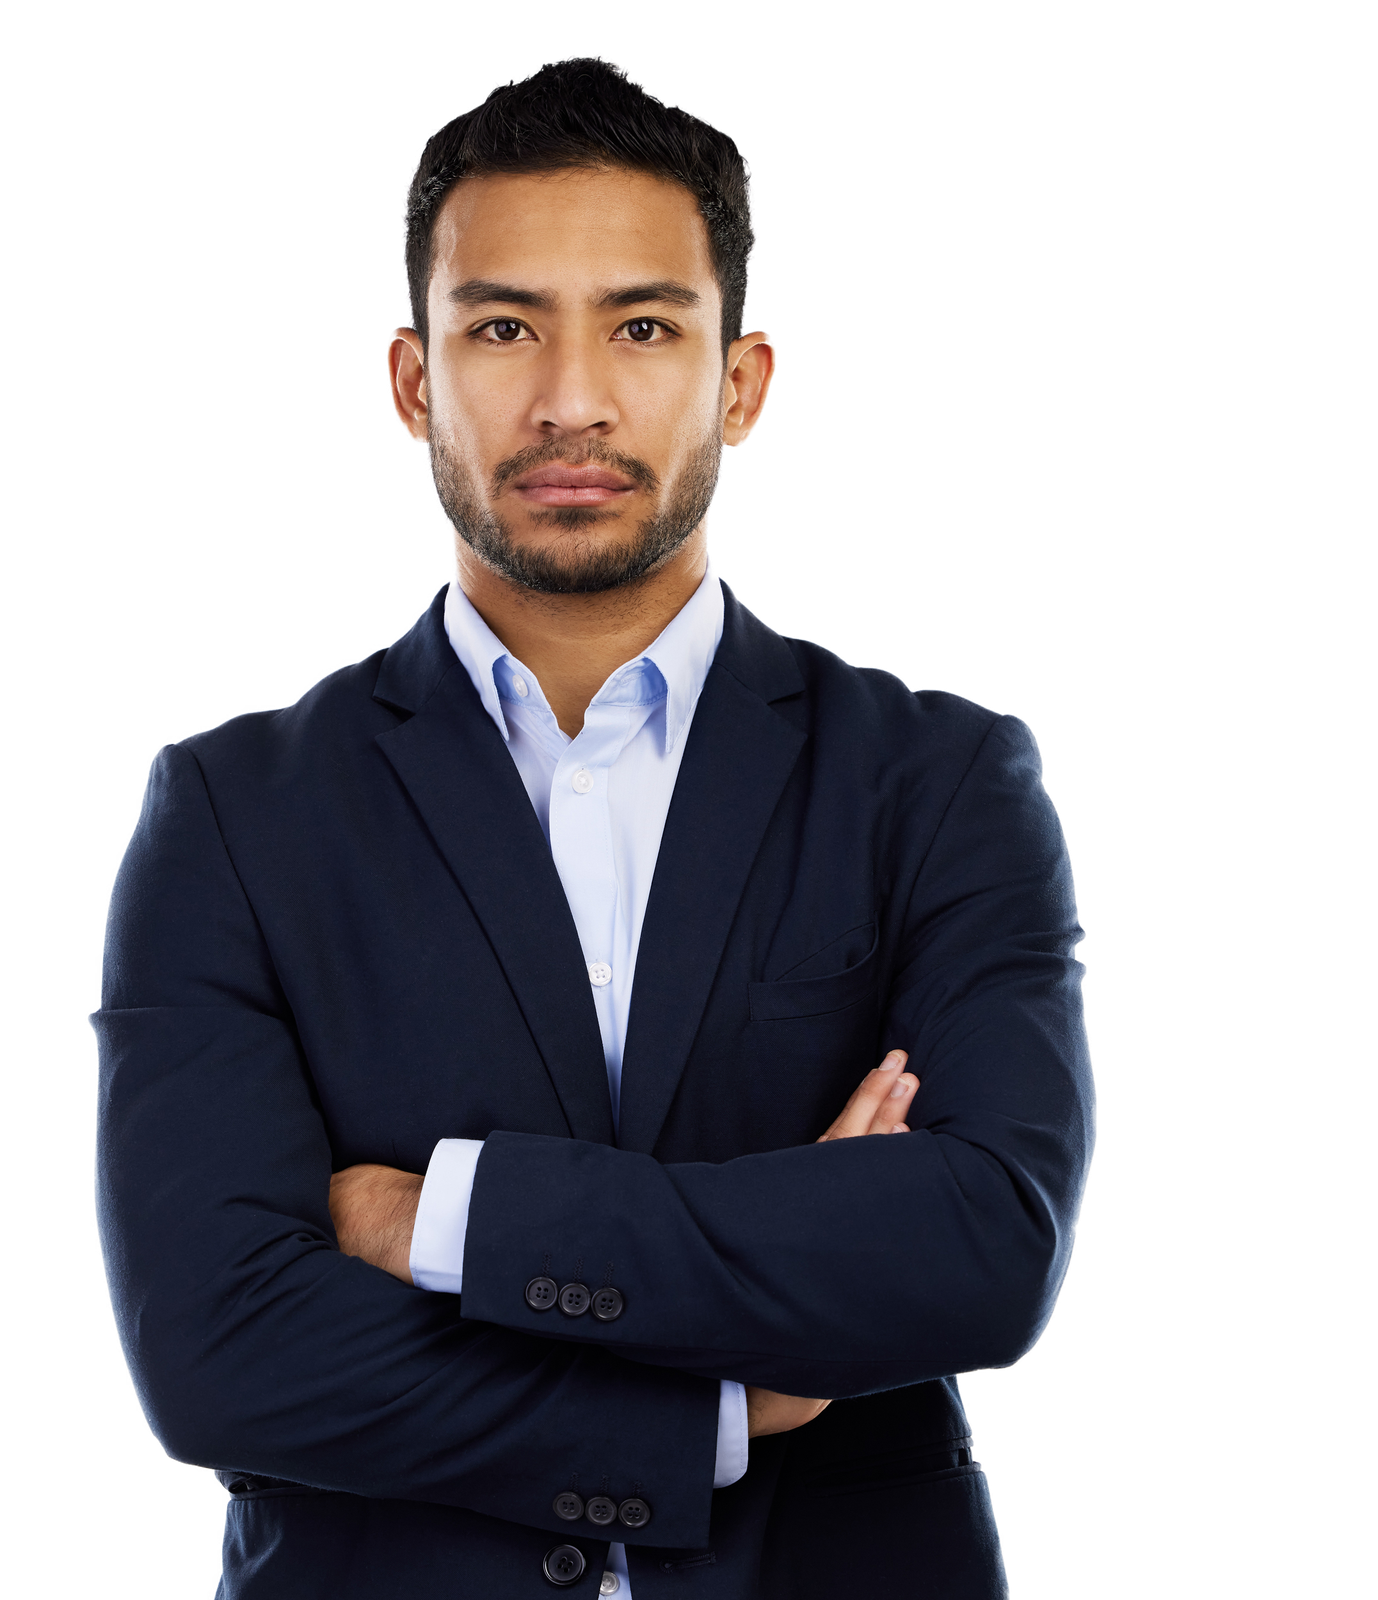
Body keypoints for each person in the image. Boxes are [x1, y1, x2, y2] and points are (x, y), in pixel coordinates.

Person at [91, 54, 1094, 1599]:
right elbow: (218, 1353)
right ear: (415, 380)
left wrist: (445, 1222)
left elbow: (983, 1249)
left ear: (739, 381)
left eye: (642, 325)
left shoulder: (942, 777)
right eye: (503, 326)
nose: (573, 398)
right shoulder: (230, 808)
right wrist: (718, 1404)